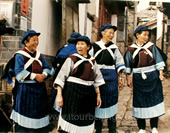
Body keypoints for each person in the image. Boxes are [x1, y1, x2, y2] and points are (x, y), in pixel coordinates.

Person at [54, 35, 105, 133]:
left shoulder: (92, 61)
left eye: (82, 44)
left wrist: (98, 95)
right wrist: (59, 96)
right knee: (70, 118)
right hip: (72, 93)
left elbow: (97, 80)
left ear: (88, 47)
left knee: (85, 119)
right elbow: (60, 78)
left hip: (88, 95)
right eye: (78, 44)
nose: (79, 46)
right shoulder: (71, 59)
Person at [124, 25, 165, 133]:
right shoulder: (131, 49)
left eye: (148, 35)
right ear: (137, 35)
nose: (147, 37)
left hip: (153, 77)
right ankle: (141, 128)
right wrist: (128, 78)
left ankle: (153, 126)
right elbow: (128, 65)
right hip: (138, 79)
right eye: (144, 35)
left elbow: (159, 60)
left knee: (154, 100)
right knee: (140, 101)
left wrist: (161, 73)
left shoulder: (152, 47)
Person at [10, 30, 51, 132]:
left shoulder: (39, 55)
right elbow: (19, 73)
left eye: (37, 40)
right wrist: (34, 76)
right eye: (33, 40)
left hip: (39, 91)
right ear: (26, 42)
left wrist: (44, 74)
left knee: (39, 115)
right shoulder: (20, 55)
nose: (36, 42)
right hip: (25, 91)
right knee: (24, 118)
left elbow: (47, 68)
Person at [89, 23, 125, 133]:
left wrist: (120, 78)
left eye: (113, 33)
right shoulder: (94, 46)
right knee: (98, 100)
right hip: (97, 75)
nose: (111, 35)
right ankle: (98, 128)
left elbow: (119, 63)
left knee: (112, 99)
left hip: (111, 77)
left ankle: (112, 128)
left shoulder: (114, 48)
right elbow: (89, 61)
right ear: (102, 33)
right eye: (109, 32)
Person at [52, 32, 81, 112]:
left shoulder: (62, 49)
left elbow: (54, 65)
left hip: (59, 78)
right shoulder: (78, 51)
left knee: (59, 95)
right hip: (72, 80)